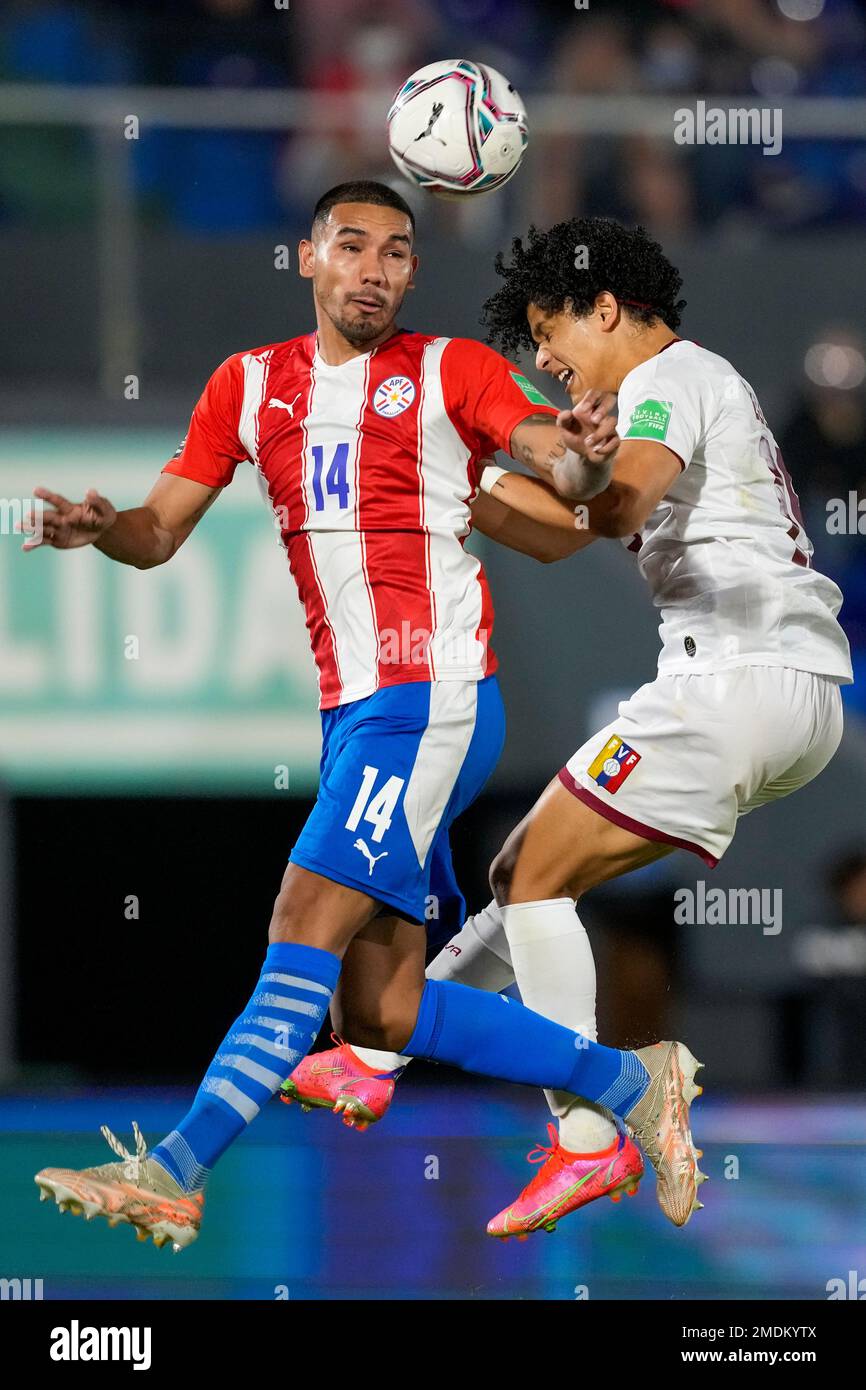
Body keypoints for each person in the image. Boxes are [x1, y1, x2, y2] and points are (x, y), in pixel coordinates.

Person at [23, 185, 702, 1250]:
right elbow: (157, 533)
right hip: (354, 715)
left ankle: (175, 1168)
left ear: (412, 275)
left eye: (396, 251)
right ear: (307, 259)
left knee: (299, 923)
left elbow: (555, 461)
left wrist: (580, 448)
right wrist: (99, 529)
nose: (374, 268)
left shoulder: (450, 371)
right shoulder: (245, 387)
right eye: (352, 246)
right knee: (380, 1010)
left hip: (426, 697)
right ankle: (629, 1083)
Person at [289, 215, 852, 1240]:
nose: (545, 363)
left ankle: (595, 1130)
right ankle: (376, 1048)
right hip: (771, 688)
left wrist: (527, 473)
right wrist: (457, 486)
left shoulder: (667, 377)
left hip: (737, 675)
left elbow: (611, 498)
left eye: (551, 333)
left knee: (532, 877)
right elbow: (563, 531)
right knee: (521, 878)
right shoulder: (673, 392)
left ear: (607, 307)